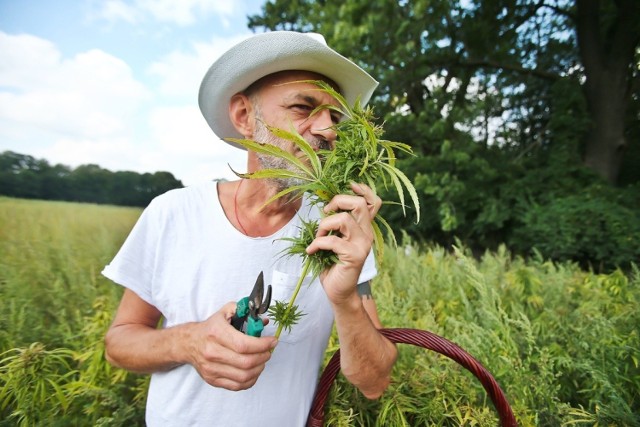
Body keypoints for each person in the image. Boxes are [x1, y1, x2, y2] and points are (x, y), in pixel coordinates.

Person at [103, 31, 397, 426]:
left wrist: (345, 299)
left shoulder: (340, 229)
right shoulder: (172, 213)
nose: (328, 130)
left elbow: (375, 382)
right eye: (303, 107)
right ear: (244, 116)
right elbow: (119, 343)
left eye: (335, 116)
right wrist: (188, 342)